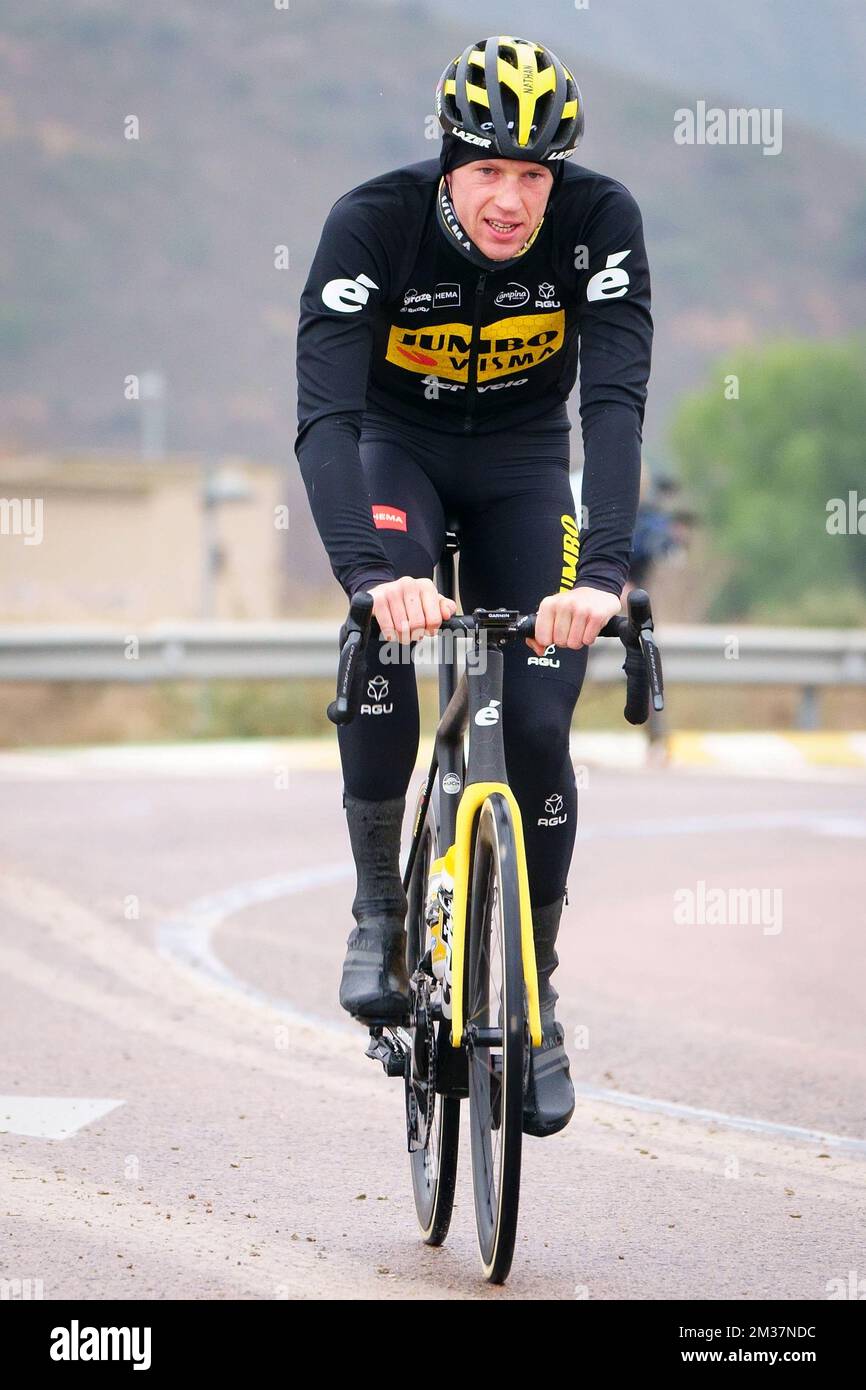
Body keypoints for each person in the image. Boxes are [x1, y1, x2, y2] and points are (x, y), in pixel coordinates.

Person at [295, 35, 653, 1137]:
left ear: (560, 176)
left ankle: (533, 993)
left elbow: (612, 407)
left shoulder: (602, 223)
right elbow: (326, 420)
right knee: (386, 633)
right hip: (396, 453)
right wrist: (366, 576)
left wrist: (598, 575)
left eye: (532, 175)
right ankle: (378, 906)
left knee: (541, 721)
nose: (510, 200)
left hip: (520, 465)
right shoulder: (371, 224)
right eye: (488, 170)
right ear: (448, 161)